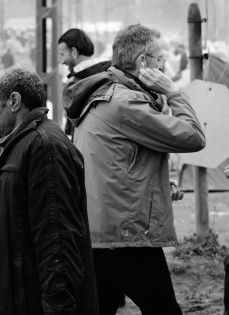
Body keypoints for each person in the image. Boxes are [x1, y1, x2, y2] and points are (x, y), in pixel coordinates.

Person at [63, 24, 206, 315]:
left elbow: (120, 160)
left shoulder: (103, 94)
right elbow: (194, 136)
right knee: (164, 310)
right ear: (143, 63)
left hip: (101, 231)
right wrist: (174, 93)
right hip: (127, 236)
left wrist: (158, 181)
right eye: (159, 59)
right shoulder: (127, 103)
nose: (163, 65)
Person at [0, 65, 98, 314]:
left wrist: (58, 307)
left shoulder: (45, 147)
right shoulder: (20, 144)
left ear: (14, 101)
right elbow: (7, 218)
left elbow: (58, 241)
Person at [58, 28, 111, 137]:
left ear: (73, 52)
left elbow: (72, 126)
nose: (62, 61)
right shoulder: (110, 72)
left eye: (62, 54)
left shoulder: (75, 84)